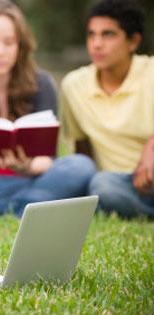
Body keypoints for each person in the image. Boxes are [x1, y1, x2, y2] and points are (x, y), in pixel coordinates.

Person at [0, 0, 96, 219]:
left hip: (31, 181)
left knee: (81, 165)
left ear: (20, 45)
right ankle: (23, 209)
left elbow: (49, 158)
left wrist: (27, 166)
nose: (0, 51)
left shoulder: (42, 84)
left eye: (9, 42)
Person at [60, 0, 154, 218]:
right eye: (91, 35)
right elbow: (81, 147)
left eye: (108, 35)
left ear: (133, 41)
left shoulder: (150, 73)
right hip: (121, 185)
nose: (97, 44)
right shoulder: (73, 85)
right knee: (102, 186)